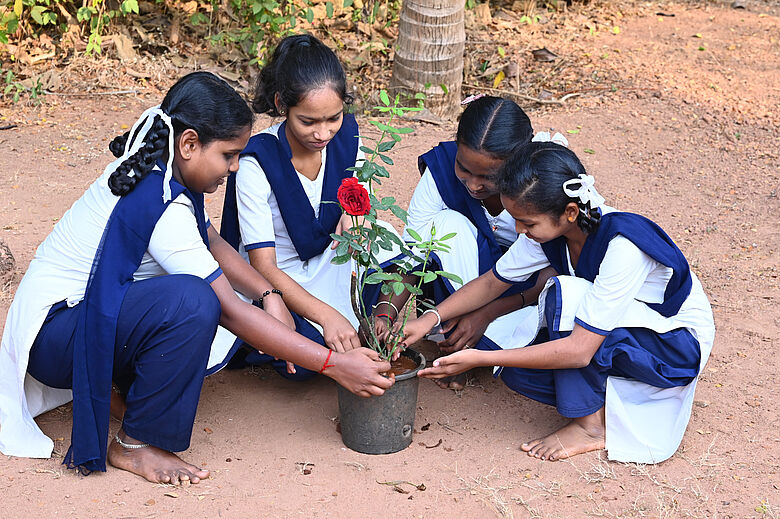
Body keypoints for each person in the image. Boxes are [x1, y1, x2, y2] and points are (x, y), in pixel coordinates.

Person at [0, 72, 393, 485]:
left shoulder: (164, 167)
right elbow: (230, 312)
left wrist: (269, 292)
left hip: (76, 323)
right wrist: (333, 364)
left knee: (189, 298)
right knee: (193, 302)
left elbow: (211, 241)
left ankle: (128, 399)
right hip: (55, 338)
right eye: (229, 155)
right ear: (189, 143)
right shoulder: (161, 202)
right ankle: (134, 444)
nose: (235, 166)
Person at [404, 142, 714, 464]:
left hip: (674, 347)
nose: (520, 232)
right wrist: (429, 319)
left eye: (528, 223)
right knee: (513, 369)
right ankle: (607, 402)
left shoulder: (623, 245)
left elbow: (579, 350)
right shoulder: (553, 234)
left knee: (564, 296)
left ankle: (591, 426)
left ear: (570, 212)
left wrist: (482, 358)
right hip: (624, 333)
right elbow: (492, 282)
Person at [221, 34, 398, 377]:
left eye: (333, 118)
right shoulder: (258, 162)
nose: (323, 133)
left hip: (330, 257)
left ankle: (378, 324)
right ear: (281, 105)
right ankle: (337, 328)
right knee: (303, 359)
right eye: (309, 121)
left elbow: (359, 198)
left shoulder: (347, 138)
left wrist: (354, 216)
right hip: (279, 275)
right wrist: (326, 316)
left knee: (398, 253)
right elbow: (263, 266)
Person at [376, 96, 555, 389]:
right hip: (460, 292)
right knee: (448, 225)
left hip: (523, 292)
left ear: (519, 161)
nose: (473, 185)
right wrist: (386, 312)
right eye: (464, 168)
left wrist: (486, 314)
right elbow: (414, 253)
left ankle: (472, 343)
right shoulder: (441, 169)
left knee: (532, 346)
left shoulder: (543, 182)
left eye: (489, 177)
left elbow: (555, 268)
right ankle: (462, 340)